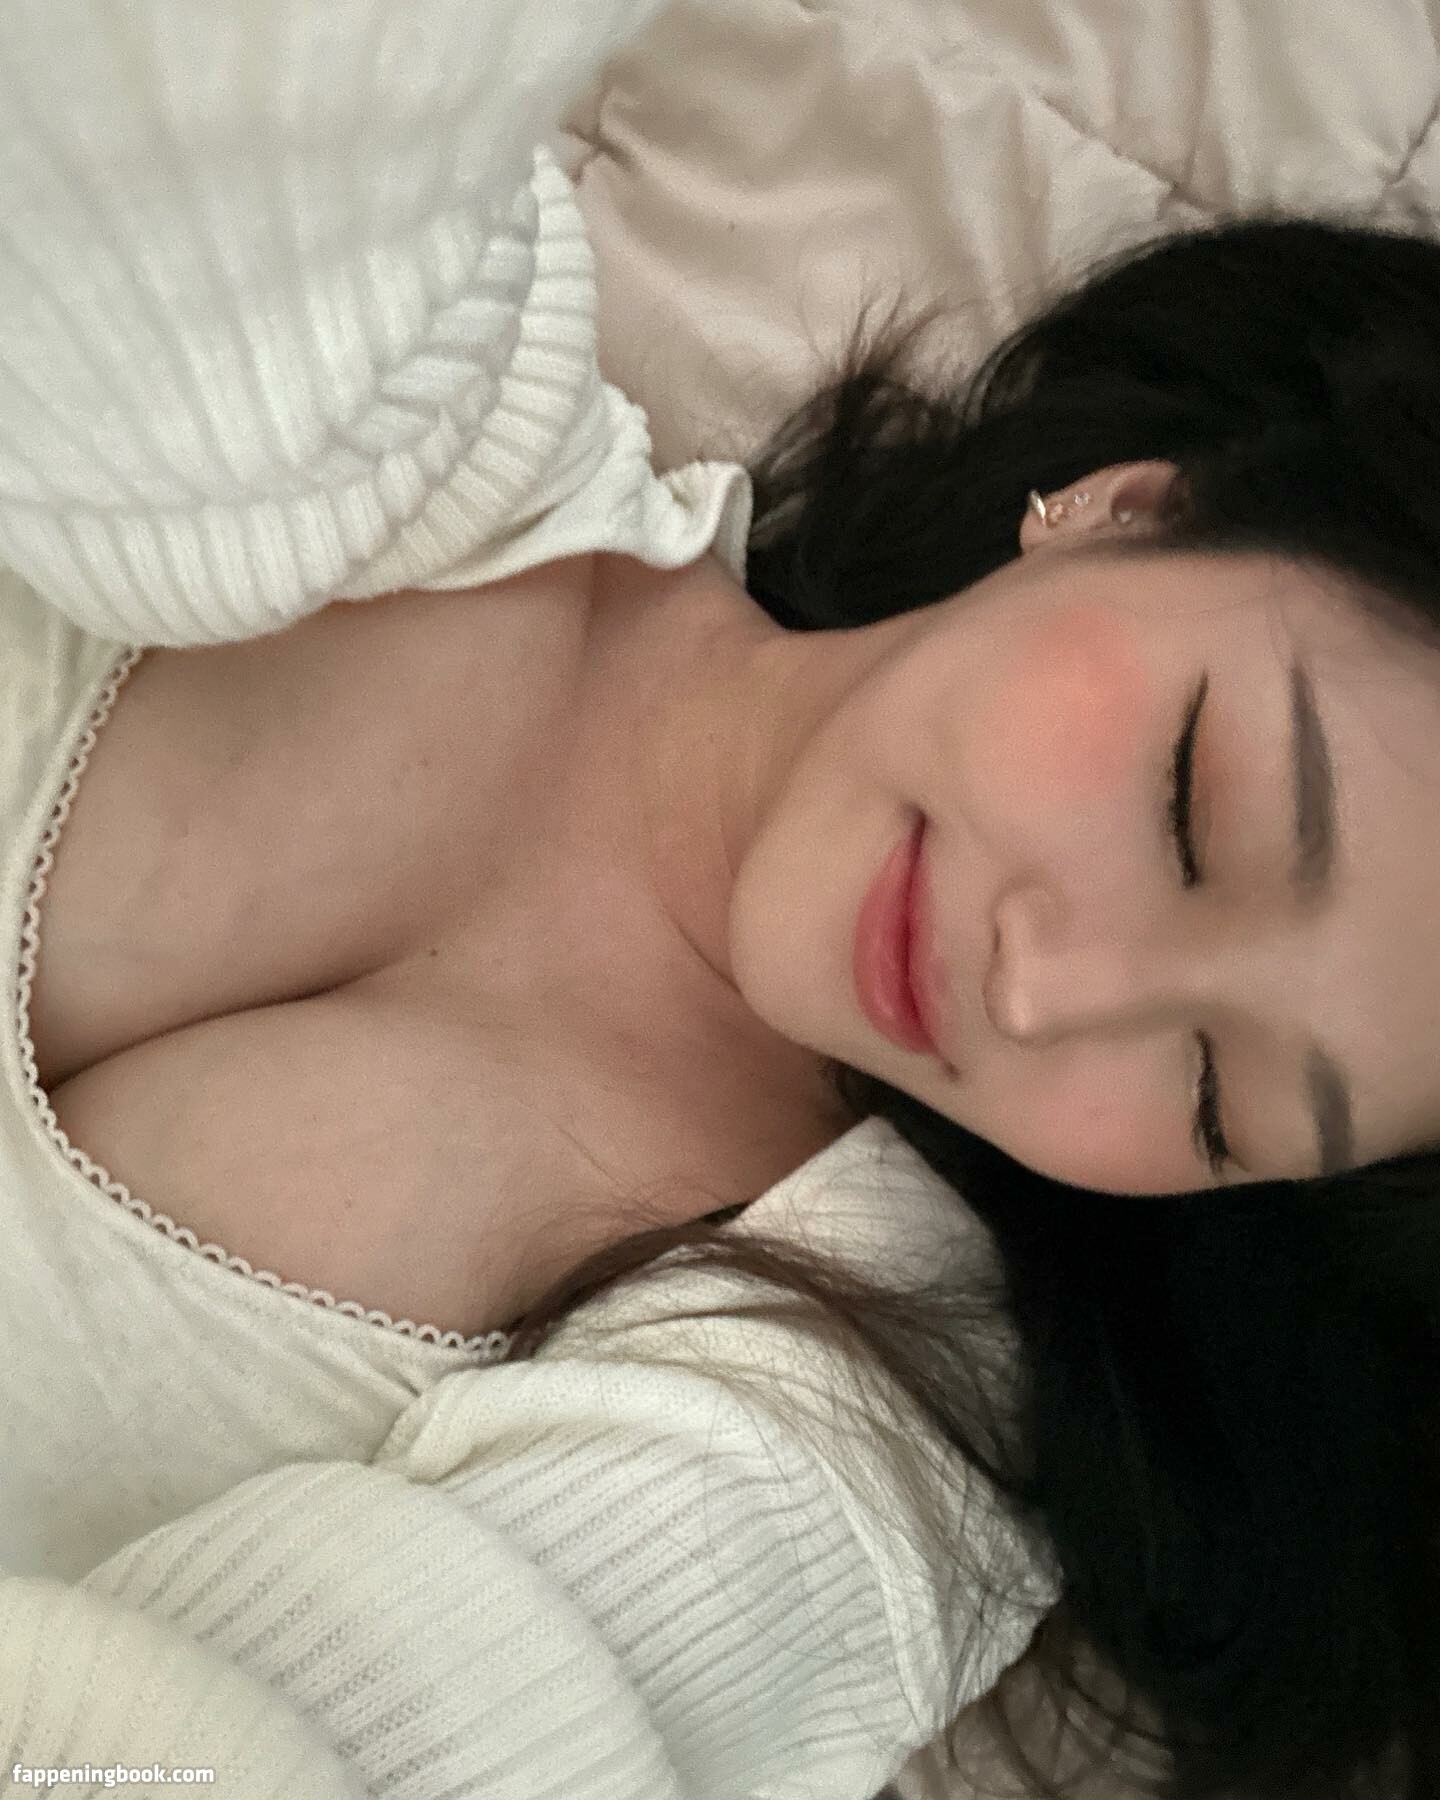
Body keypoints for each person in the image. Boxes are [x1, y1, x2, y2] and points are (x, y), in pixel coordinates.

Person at [0, 4, 1433, 1799]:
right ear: (1127, 507)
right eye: (1190, 807)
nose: (1050, 993)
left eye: (1216, 1095)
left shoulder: (843, 1438)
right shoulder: (439, 409)